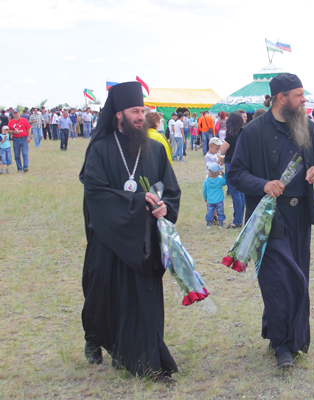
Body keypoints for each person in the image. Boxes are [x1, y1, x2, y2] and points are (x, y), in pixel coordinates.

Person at [79, 81, 181, 383]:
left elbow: (170, 188)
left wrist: (165, 208)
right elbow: (95, 193)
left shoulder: (155, 147)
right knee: (101, 295)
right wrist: (137, 201)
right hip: (109, 240)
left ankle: (145, 360)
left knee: (143, 301)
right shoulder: (99, 148)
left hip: (145, 243)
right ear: (118, 114)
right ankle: (96, 338)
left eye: (143, 110)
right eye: (135, 111)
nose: (141, 116)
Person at [228, 73, 314, 369]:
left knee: (299, 277)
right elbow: (235, 174)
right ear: (281, 98)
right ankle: (282, 346)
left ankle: (291, 336)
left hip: (299, 217)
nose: (304, 100)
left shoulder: (308, 127)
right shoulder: (253, 132)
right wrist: (263, 184)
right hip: (269, 218)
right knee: (277, 280)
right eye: (299, 95)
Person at [219, 111, 245, 229]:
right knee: (241, 192)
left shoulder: (231, 135)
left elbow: (223, 151)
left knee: (235, 193)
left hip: (231, 164)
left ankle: (237, 220)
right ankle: (241, 218)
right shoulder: (244, 132)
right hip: (243, 164)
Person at [203, 162, 227, 228]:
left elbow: (204, 191)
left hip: (210, 200)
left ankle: (208, 224)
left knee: (210, 212)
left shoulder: (206, 181)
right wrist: (224, 175)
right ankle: (221, 224)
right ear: (218, 172)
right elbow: (225, 181)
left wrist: (205, 198)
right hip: (219, 200)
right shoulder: (219, 181)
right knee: (220, 212)